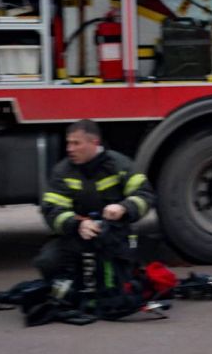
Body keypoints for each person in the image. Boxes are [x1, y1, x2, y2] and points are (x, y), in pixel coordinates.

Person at [33, 119, 155, 282]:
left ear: (94, 142)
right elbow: (51, 210)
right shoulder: (62, 171)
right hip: (77, 235)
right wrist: (76, 225)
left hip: (113, 235)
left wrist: (124, 208)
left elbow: (144, 194)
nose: (70, 149)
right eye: (69, 143)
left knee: (120, 277)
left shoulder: (119, 165)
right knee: (48, 262)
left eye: (76, 143)